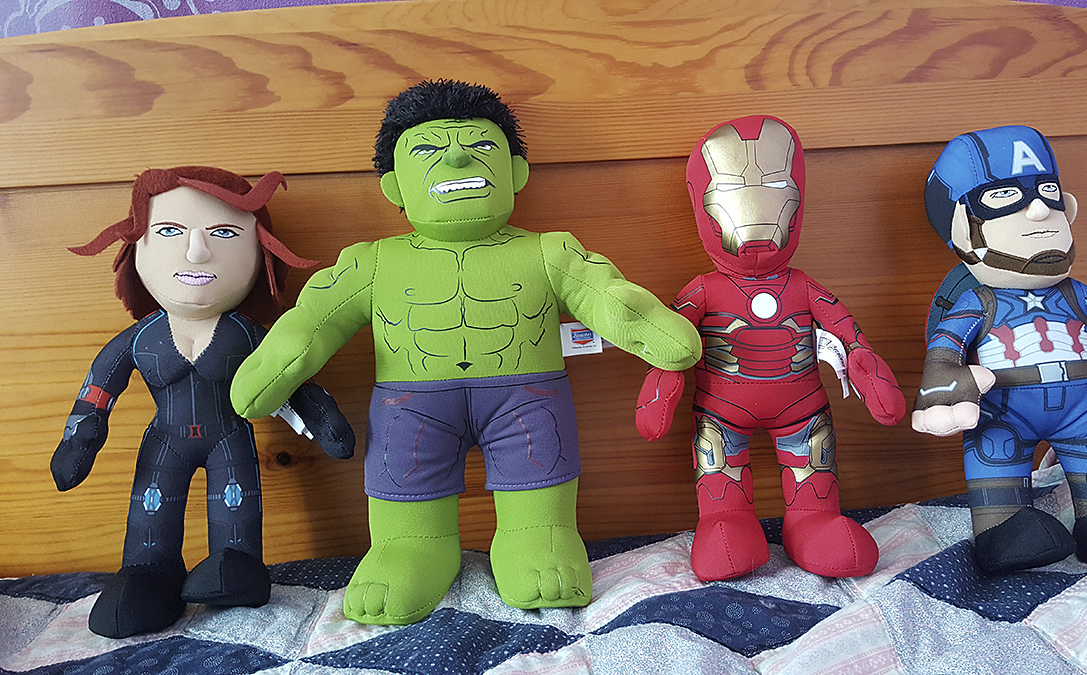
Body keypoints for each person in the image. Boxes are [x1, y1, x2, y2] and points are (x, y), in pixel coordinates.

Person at [230, 80, 702, 625]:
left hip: (527, 400)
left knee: (539, 502)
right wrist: (270, 370)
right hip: (411, 407)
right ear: (394, 186)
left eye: (480, 145)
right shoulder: (370, 262)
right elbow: (312, 321)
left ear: (516, 173)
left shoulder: (550, 252)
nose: (456, 158)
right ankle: (410, 549)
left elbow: (610, 299)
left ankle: (537, 540)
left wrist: (660, 337)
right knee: (406, 499)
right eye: (427, 151)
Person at [55, 166, 354, 638]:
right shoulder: (139, 338)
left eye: (224, 233)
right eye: (169, 231)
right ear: (137, 246)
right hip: (164, 442)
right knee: (150, 520)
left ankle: (236, 568)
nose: (196, 251)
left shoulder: (248, 334)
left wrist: (323, 418)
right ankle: (146, 576)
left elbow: (288, 376)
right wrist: (80, 438)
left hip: (228, 439)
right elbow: (97, 392)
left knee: (236, 523)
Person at [636, 115, 906, 581]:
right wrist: (661, 385)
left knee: (816, 483)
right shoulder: (702, 290)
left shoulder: (805, 287)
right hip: (722, 410)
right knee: (720, 487)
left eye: (778, 185)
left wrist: (868, 369)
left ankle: (815, 523)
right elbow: (671, 343)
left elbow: (851, 339)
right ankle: (725, 525)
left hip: (803, 407)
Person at [914, 126, 1087, 574]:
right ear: (962, 226)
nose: (1039, 209)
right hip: (1002, 410)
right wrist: (948, 385)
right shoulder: (977, 300)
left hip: (1085, 410)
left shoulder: (1079, 295)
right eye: (1003, 197)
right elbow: (944, 350)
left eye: (1047, 192)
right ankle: (1002, 530)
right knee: (995, 460)